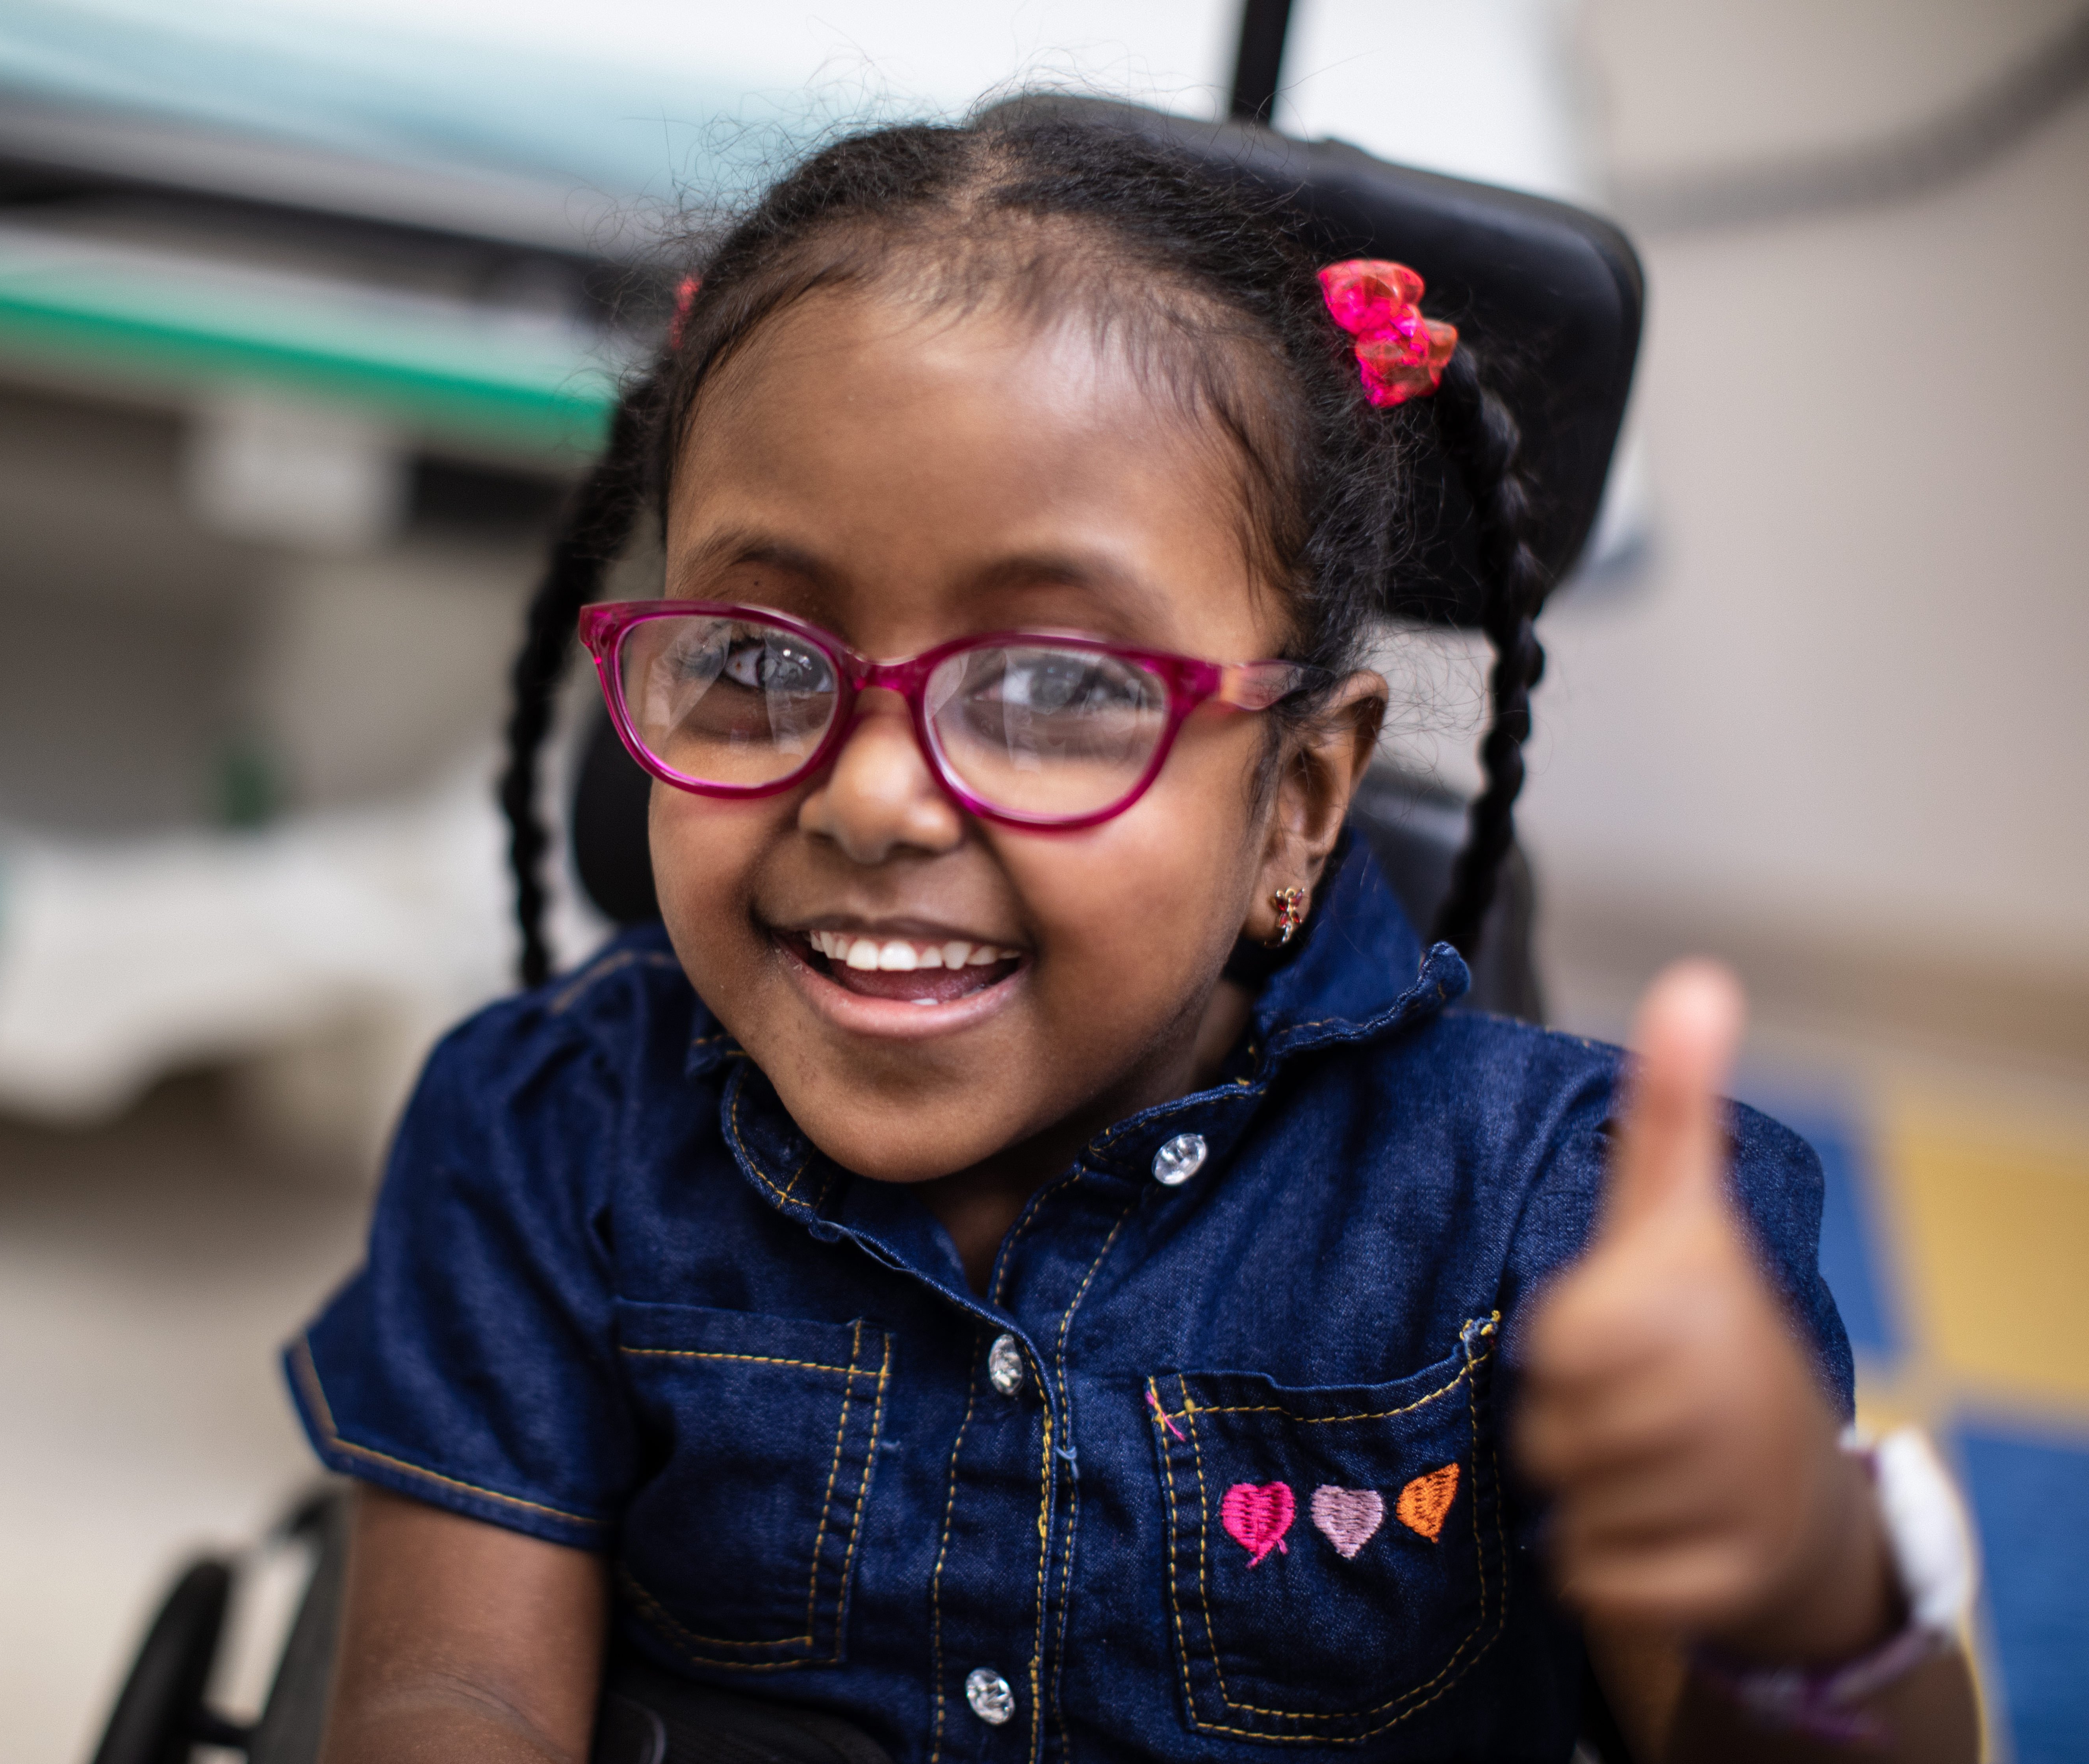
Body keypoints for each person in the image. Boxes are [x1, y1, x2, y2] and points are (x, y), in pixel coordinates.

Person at [282, 113, 1981, 1762]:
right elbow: (455, 1702)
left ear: (1301, 802)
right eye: (759, 660)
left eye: (1058, 689)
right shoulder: (542, 1141)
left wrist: (1812, 1607)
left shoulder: (1573, 1231)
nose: (874, 802)